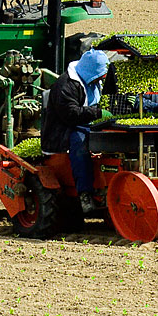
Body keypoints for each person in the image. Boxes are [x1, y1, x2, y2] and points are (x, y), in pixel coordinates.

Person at [40, 48, 110, 215]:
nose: (103, 78)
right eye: (100, 74)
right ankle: (84, 193)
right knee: (80, 142)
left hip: (89, 123)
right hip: (64, 130)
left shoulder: (94, 81)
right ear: (90, 71)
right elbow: (71, 114)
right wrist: (98, 113)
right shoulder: (65, 85)